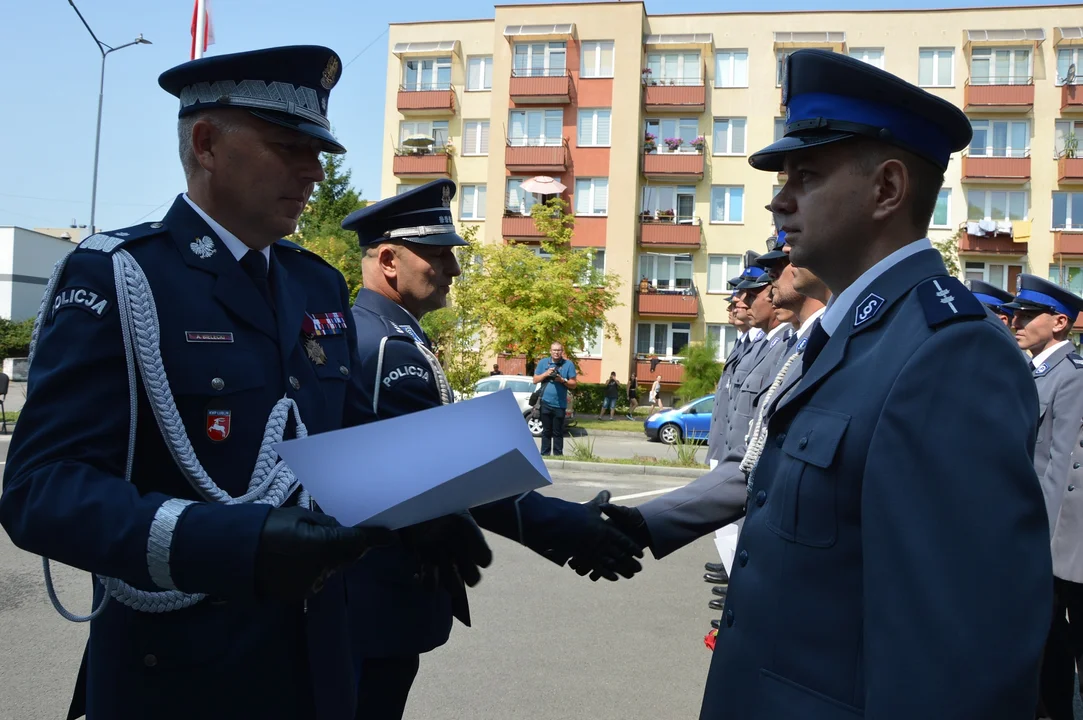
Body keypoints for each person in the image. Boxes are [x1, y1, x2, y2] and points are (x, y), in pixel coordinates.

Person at [0, 46, 490, 720]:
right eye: (289, 147)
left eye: (317, 152)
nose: (315, 171)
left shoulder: (311, 282)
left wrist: (464, 511)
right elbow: (40, 490)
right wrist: (239, 543)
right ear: (206, 144)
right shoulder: (121, 275)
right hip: (179, 672)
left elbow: (354, 437)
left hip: (317, 665)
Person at [608, 48, 1050, 718]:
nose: (778, 198)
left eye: (805, 175)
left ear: (886, 190)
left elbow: (959, 651)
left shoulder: (947, 353)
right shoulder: (845, 337)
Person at [339, 179, 644, 720]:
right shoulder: (385, 347)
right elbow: (444, 474)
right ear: (388, 259)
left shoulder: (391, 335)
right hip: (378, 597)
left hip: (383, 594)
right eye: (439, 255)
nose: (454, 270)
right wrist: (566, 528)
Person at [1003, 275, 1083, 720]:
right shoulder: (1033, 373)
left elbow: (1060, 466)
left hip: (1049, 539)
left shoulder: (1070, 378)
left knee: (1052, 643)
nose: (1015, 320)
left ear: (1058, 323)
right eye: (1016, 312)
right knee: (1040, 642)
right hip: (1026, 526)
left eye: (1027, 314)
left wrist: (1040, 542)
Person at [532, 342, 577, 456]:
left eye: (558, 350)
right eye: (554, 350)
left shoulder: (568, 364)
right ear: (550, 351)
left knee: (558, 432)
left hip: (560, 404)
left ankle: (558, 455)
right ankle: (545, 454)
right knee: (546, 431)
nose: (556, 352)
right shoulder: (543, 363)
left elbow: (574, 384)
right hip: (545, 402)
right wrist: (546, 373)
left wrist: (562, 380)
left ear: (562, 351)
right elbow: (535, 380)